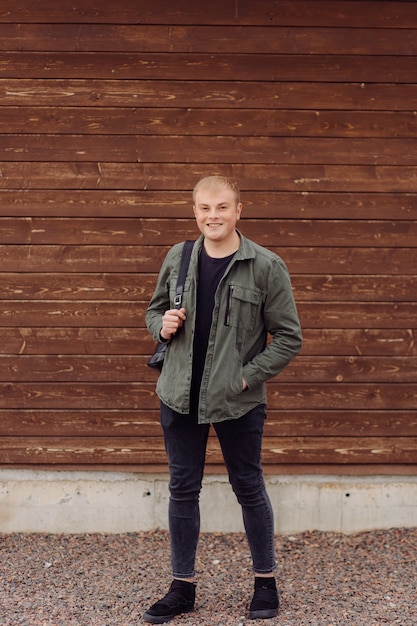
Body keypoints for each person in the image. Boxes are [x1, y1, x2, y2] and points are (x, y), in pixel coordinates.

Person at [144, 175, 302, 623]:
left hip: (239, 401)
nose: (212, 216)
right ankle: (182, 588)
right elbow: (153, 310)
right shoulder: (179, 256)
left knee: (248, 488)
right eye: (204, 208)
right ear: (194, 211)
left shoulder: (266, 266)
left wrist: (246, 379)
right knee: (182, 490)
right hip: (178, 396)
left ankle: (265, 583)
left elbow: (289, 337)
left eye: (221, 207)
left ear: (238, 210)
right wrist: (161, 326)